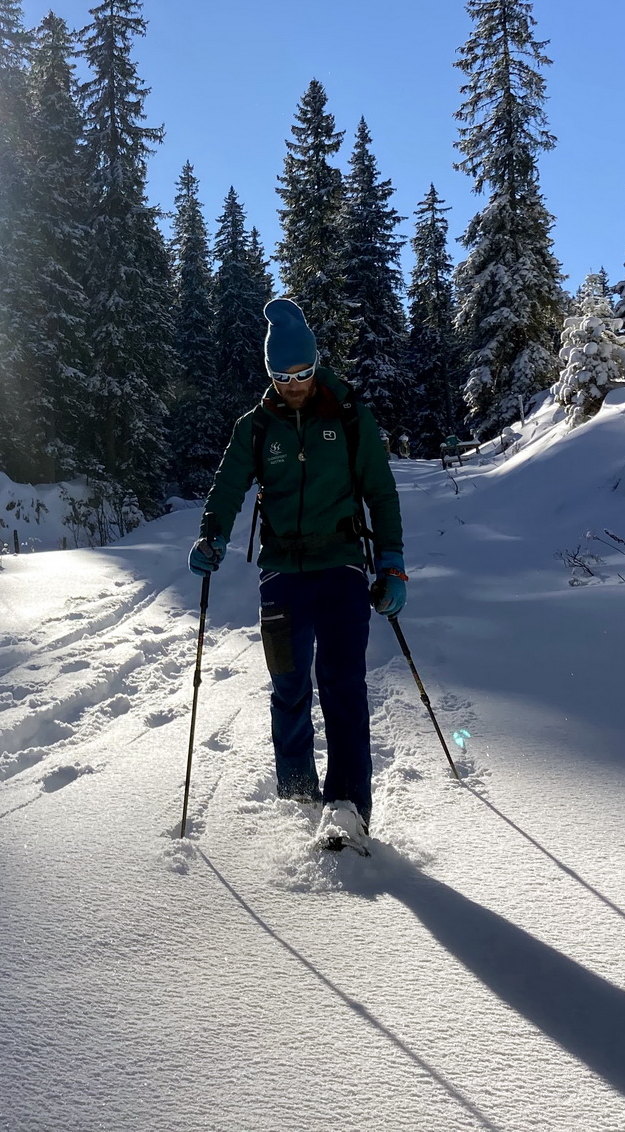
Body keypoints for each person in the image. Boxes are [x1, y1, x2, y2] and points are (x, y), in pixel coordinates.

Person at [189, 298, 405, 851]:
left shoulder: (349, 415)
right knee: (288, 688)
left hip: (341, 570)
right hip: (281, 574)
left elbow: (380, 493)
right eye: (283, 376)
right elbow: (229, 485)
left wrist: (393, 564)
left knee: (343, 687)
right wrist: (211, 535)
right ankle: (297, 795)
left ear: (315, 365)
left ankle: (348, 807)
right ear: (270, 375)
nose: (295, 384)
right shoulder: (257, 427)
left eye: (303, 373)